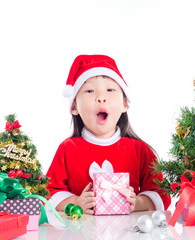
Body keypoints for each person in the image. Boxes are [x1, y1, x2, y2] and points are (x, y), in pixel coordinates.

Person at [46, 55, 171, 214]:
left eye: (110, 90)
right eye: (90, 91)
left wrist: (137, 202)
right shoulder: (67, 149)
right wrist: (76, 202)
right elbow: (48, 193)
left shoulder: (140, 150)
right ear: (74, 107)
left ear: (125, 104)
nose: (101, 98)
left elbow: (163, 194)